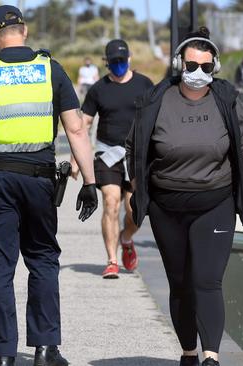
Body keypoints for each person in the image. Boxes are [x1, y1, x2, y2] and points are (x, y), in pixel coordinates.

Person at [0, 5, 98, 366]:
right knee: (42, 260)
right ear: (23, 31)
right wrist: (89, 181)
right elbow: (76, 129)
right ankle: (44, 349)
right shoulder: (50, 69)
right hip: (39, 180)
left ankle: (4, 355)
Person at [126, 26, 243, 366]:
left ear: (215, 67)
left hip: (215, 202)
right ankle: (189, 352)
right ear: (178, 63)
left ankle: (211, 356)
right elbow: (134, 146)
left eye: (206, 67)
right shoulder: (157, 99)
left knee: (207, 281)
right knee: (180, 283)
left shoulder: (226, 99)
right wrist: (137, 186)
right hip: (167, 205)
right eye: (191, 65)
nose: (198, 73)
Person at [71, 39, 153, 278]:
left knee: (135, 209)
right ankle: (112, 260)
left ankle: (126, 238)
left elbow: (156, 118)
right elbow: (84, 124)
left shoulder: (144, 84)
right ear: (107, 63)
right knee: (111, 202)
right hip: (107, 154)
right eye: (114, 62)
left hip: (136, 156)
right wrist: (77, 159)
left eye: (122, 60)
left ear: (129, 59)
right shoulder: (99, 89)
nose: (118, 65)